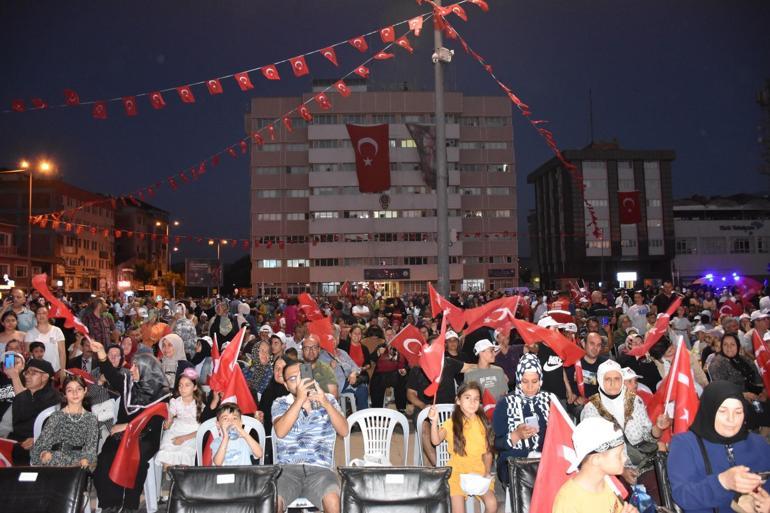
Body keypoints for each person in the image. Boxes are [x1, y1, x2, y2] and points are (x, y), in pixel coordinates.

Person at [89, 339, 170, 513]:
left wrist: (127, 426)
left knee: (136, 461)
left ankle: (130, 505)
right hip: (121, 434)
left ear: (147, 369)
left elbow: (153, 422)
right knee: (105, 460)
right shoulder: (128, 385)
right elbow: (110, 373)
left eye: (135, 367)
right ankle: (111, 503)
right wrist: (102, 353)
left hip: (146, 436)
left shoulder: (161, 393)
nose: (130, 369)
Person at [668, 381, 770, 513]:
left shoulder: (757, 443)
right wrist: (722, 482)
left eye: (738, 412)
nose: (731, 419)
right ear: (710, 410)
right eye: (723, 411)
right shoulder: (685, 444)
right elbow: (683, 496)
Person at [272, 360, 349, 513]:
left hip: (321, 470)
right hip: (287, 471)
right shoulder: (280, 403)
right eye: (293, 379)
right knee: (272, 503)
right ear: (286, 385)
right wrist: (300, 399)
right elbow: (280, 431)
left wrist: (326, 403)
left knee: (334, 503)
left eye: (301, 376)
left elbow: (344, 431)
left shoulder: (327, 399)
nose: (299, 381)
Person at [581, 360, 669, 482]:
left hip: (645, 463)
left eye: (617, 378)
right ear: (600, 380)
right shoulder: (591, 410)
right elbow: (593, 452)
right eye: (608, 379)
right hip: (612, 473)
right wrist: (622, 472)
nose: (613, 383)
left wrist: (658, 428)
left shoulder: (634, 401)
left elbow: (649, 438)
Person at [428, 382, 497, 513]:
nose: (472, 402)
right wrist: (434, 422)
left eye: (476, 399)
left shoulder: (483, 423)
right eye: (467, 397)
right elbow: (435, 441)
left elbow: (488, 453)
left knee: (492, 504)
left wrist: (487, 472)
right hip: (457, 474)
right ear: (458, 401)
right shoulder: (451, 423)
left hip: (479, 472)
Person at [552, 416, 639, 513]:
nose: (625, 458)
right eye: (619, 455)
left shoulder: (607, 483)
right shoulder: (569, 501)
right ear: (596, 459)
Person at [492, 353, 551, 484]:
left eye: (534, 381)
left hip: (545, 458)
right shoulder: (505, 403)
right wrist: (516, 435)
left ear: (540, 380)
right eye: (525, 381)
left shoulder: (549, 400)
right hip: (514, 461)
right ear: (518, 379)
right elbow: (496, 443)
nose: (530, 387)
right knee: (535, 477)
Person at [31, 374, 98, 467]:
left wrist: (86, 459)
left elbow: (91, 449)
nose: (75, 393)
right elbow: (38, 446)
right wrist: (43, 454)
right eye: (70, 390)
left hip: (78, 464)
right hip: (54, 460)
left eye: (79, 389)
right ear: (65, 394)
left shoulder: (91, 418)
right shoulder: (57, 416)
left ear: (85, 390)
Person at [6, 358, 61, 465]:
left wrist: (37, 439)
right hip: (17, 444)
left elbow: (58, 429)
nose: (27, 376)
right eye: (27, 372)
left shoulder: (55, 399)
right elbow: (11, 426)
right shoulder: (20, 397)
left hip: (42, 447)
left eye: (33, 373)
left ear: (45, 377)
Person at [708, 333, 768, 426]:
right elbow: (721, 390)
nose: (729, 348)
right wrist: (744, 395)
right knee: (758, 414)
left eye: (732, 344)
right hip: (733, 400)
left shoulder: (744, 360)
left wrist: (763, 392)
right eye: (725, 344)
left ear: (738, 346)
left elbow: (757, 380)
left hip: (754, 395)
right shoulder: (717, 364)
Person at [155, 367, 203, 468]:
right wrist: (168, 421)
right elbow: (171, 414)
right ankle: (170, 474)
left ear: (195, 387)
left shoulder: (200, 405)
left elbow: (202, 429)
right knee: (167, 453)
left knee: (184, 457)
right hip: (177, 429)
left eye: (187, 385)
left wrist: (184, 438)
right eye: (180, 385)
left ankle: (181, 478)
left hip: (193, 433)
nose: (182, 388)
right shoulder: (175, 401)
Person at [258, 356, 289, 464]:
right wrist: (259, 420)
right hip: (272, 440)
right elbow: (264, 421)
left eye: (283, 368)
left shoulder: (297, 392)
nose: (279, 371)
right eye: (276, 368)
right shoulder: (268, 393)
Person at [23, 306, 66, 378]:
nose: (41, 315)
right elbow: (28, 354)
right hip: (37, 372)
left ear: (49, 315)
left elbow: (62, 353)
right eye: (38, 313)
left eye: (44, 313)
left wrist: (62, 370)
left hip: (55, 370)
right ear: (35, 316)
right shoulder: (30, 333)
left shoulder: (57, 331)